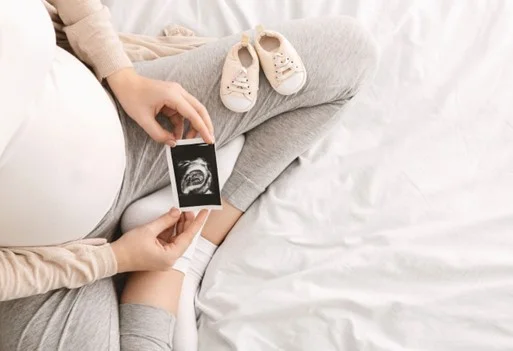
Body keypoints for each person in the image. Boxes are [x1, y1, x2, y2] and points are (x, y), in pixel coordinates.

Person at [0, 0, 378, 350]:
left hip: (129, 121)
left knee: (346, 55)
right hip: (42, 262)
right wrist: (116, 259)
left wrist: (123, 76)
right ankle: (182, 240)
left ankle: (192, 239)